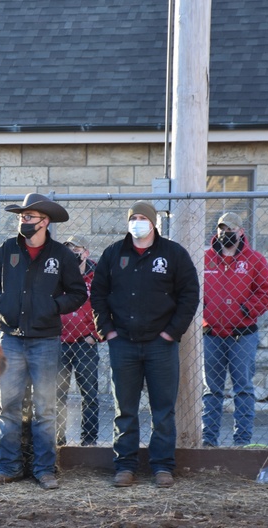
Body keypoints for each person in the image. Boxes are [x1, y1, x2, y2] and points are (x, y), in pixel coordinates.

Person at [0, 193, 87, 491]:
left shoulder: (61, 256)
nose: (23, 222)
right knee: (9, 406)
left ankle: (44, 470)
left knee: (46, 408)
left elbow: (77, 293)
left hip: (45, 341)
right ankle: (8, 468)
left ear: (45, 221)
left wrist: (52, 307)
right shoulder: (6, 250)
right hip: (11, 339)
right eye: (21, 217)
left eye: (29, 217)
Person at [91, 201, 199, 489]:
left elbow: (189, 294)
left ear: (153, 223)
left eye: (142, 218)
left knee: (163, 409)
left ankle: (162, 466)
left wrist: (171, 333)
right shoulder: (114, 254)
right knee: (124, 409)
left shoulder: (173, 254)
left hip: (160, 345)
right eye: (133, 218)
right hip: (122, 343)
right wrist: (108, 331)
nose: (137, 222)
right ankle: (124, 466)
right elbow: (98, 293)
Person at [201, 212, 268, 448]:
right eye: (222, 229)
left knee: (242, 389)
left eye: (231, 229)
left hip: (242, 336)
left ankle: (242, 441)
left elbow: (267, 292)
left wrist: (247, 309)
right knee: (211, 390)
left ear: (241, 231)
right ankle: (208, 440)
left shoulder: (254, 260)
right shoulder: (204, 259)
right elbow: (191, 289)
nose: (226, 233)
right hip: (211, 335)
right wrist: (203, 309)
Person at [56, 235, 102, 448]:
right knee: (57, 395)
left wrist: (96, 335)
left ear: (86, 252)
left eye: (76, 249)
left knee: (90, 395)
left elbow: (105, 306)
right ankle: (58, 440)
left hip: (86, 343)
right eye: (68, 249)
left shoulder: (98, 276)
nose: (72, 253)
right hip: (60, 342)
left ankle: (89, 441)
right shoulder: (58, 275)